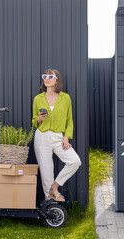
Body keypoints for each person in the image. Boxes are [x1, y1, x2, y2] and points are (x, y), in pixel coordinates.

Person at [31, 68, 81, 202]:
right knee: (46, 171)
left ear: (57, 80)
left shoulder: (65, 98)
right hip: (42, 137)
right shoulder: (38, 98)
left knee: (75, 161)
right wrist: (39, 119)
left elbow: (69, 120)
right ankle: (50, 206)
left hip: (59, 137)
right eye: (45, 76)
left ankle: (55, 187)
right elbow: (34, 120)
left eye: (50, 76)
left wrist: (66, 137)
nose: (46, 78)